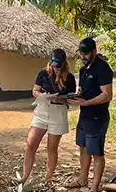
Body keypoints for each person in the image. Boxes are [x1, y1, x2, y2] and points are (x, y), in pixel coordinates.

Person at [66, 37, 113, 192]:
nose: (83, 56)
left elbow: (107, 95)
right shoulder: (83, 69)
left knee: (96, 152)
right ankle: (82, 178)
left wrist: (87, 102)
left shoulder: (103, 68)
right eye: (81, 54)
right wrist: (74, 97)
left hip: (97, 117)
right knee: (83, 147)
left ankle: (95, 189)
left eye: (86, 53)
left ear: (94, 51)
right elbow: (84, 91)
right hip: (84, 115)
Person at [19, 48, 77, 183]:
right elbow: (35, 91)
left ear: (64, 64)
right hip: (42, 110)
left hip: (58, 112)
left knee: (52, 147)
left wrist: (59, 99)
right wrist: (43, 96)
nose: (55, 68)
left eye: (58, 65)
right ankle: (25, 176)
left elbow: (71, 99)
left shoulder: (69, 78)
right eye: (53, 65)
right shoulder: (43, 73)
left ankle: (48, 177)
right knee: (31, 144)